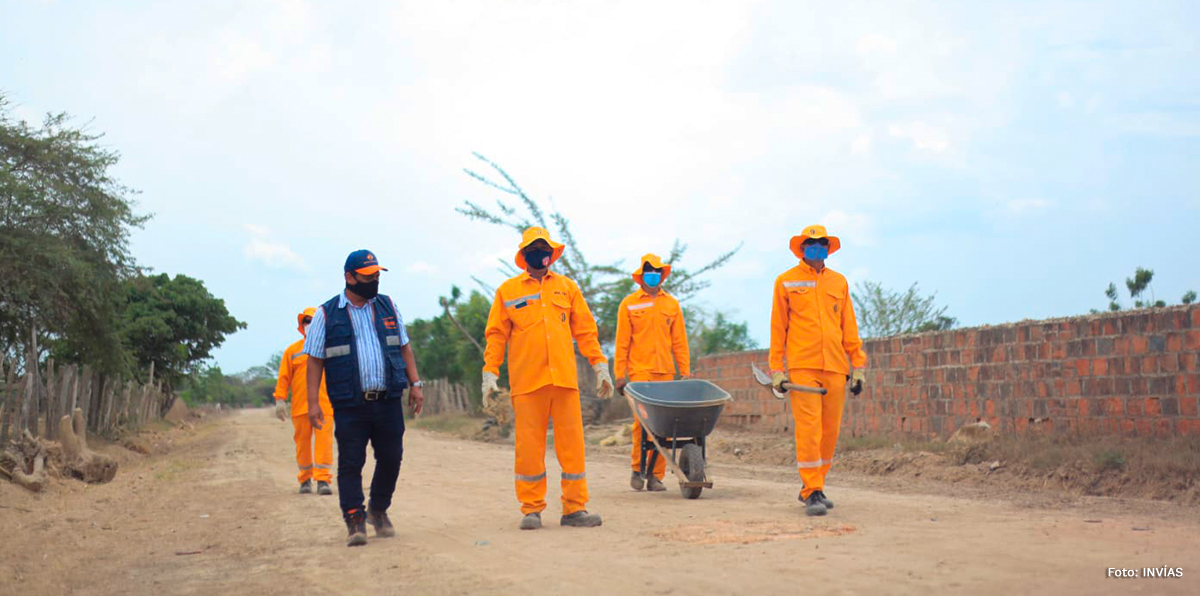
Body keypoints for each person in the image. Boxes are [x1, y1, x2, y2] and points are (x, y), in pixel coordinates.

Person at [481, 226, 614, 530]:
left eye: (545, 248)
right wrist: (490, 372)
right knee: (529, 448)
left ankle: (574, 509)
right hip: (527, 383)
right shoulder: (508, 291)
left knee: (573, 447)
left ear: (552, 253)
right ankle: (531, 509)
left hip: (564, 381)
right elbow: (496, 335)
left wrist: (599, 365)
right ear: (524, 254)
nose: (540, 254)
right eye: (534, 249)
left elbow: (585, 331)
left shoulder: (567, 288)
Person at [303, 249, 426, 547]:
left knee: (392, 458)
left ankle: (378, 509)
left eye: (377, 276)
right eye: (367, 277)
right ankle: (355, 519)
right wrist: (312, 403)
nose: (374, 282)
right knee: (351, 463)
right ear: (349, 277)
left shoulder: (387, 306)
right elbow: (314, 360)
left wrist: (415, 384)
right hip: (350, 404)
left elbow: (405, 347)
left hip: (387, 400)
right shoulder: (326, 314)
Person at [768, 225, 867, 516]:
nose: (816, 247)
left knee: (829, 432)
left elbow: (849, 326)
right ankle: (811, 490)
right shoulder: (785, 281)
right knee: (810, 430)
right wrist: (777, 369)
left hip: (836, 367)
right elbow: (778, 328)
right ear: (802, 248)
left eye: (821, 243)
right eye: (811, 243)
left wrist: (858, 366)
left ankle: (817, 486)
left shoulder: (839, 282)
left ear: (828, 247)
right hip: (802, 367)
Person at [613, 253, 690, 492]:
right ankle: (638, 469)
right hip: (640, 374)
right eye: (649, 270)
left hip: (665, 373)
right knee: (642, 424)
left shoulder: (671, 304)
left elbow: (679, 342)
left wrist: (684, 372)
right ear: (641, 275)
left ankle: (655, 476)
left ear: (662, 274)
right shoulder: (629, 304)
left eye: (657, 270)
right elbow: (622, 342)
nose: (653, 274)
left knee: (663, 426)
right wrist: (619, 375)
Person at [273, 307, 334, 495]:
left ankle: (323, 480)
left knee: (324, 443)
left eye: (314, 321)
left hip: (325, 405)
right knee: (303, 443)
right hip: (300, 407)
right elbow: (284, 377)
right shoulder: (292, 351)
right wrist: (280, 400)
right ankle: (305, 479)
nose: (310, 324)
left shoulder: (330, 349)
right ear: (302, 324)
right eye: (307, 321)